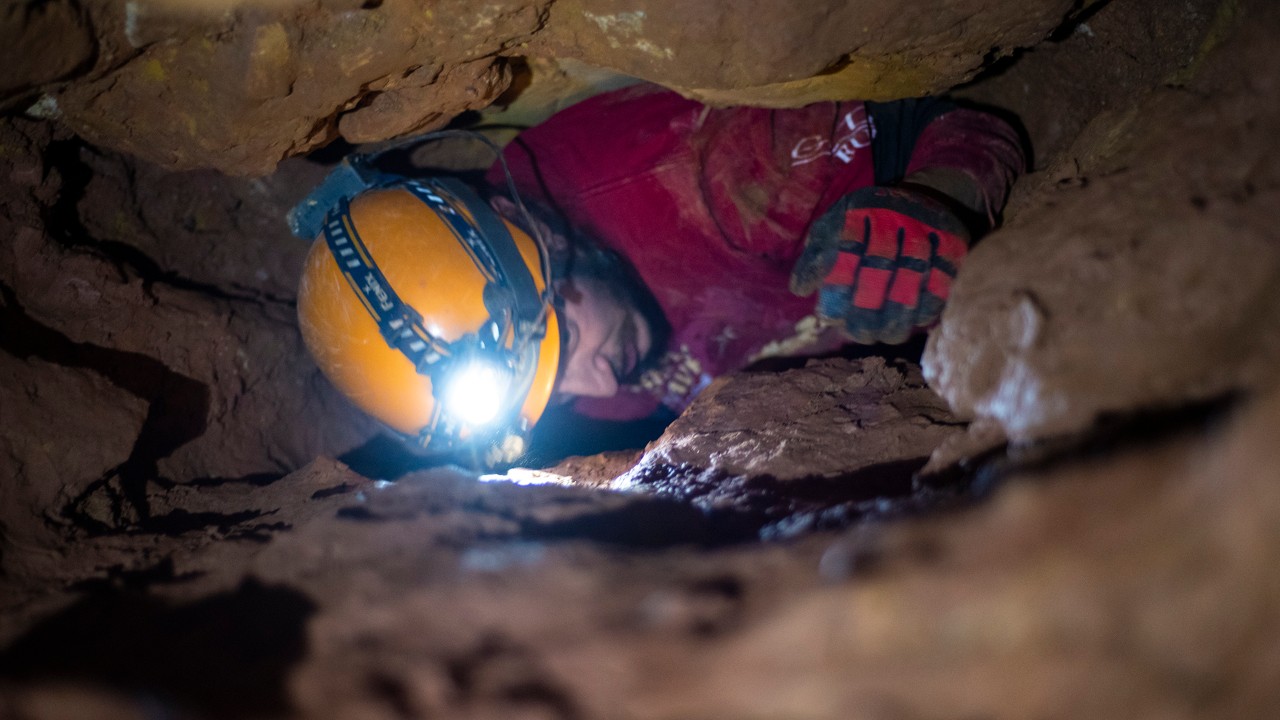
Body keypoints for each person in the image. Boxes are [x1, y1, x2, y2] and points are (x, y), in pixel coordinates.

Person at [483, 83, 1025, 427]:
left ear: (537, 237)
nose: (601, 385)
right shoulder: (544, 358)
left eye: (566, 342)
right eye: (551, 397)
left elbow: (949, 118)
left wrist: (936, 194)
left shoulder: (710, 180)